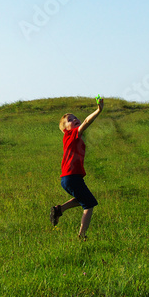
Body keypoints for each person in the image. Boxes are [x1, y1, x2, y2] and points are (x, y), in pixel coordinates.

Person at [50, 97, 103, 239]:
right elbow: (86, 122)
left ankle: (59, 210)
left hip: (70, 178)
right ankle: (82, 236)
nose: (74, 119)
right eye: (70, 120)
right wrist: (98, 110)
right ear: (65, 129)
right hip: (72, 177)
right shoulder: (71, 135)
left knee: (83, 199)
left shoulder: (74, 138)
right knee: (89, 206)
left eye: (75, 117)